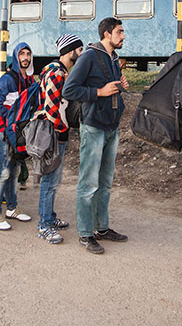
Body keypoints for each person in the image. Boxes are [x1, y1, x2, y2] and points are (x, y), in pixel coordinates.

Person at [64, 17, 130, 254]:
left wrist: (120, 85)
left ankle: (101, 228)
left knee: (105, 182)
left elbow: (110, 87)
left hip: (111, 126)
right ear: (106, 34)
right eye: (120, 32)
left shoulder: (112, 57)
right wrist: (99, 92)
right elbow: (69, 89)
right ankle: (85, 233)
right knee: (89, 182)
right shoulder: (89, 56)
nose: (123, 36)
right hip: (93, 126)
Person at [31, 34, 84, 244]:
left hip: (57, 133)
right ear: (70, 51)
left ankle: (50, 217)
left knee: (53, 180)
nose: (80, 53)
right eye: (78, 50)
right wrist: (61, 131)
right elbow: (52, 109)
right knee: (50, 181)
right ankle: (44, 225)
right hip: (53, 134)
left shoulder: (58, 70)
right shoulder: (56, 73)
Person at [0, 42, 35, 230]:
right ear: (16, 57)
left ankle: (12, 208)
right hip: (5, 133)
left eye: (28, 54)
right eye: (22, 54)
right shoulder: (8, 79)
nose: (25, 58)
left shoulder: (30, 81)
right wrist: (15, 116)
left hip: (19, 134)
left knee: (14, 173)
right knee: (3, 173)